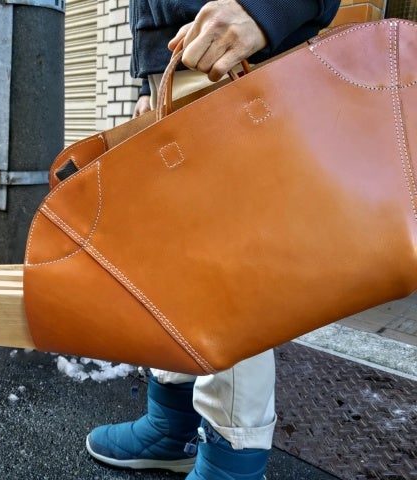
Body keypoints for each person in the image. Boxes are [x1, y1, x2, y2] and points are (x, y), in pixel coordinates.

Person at [85, 1, 341, 479]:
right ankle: (173, 427)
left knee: (229, 275)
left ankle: (231, 463)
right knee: (174, 260)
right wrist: (149, 81)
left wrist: (266, 9)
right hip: (178, 72)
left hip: (239, 59)